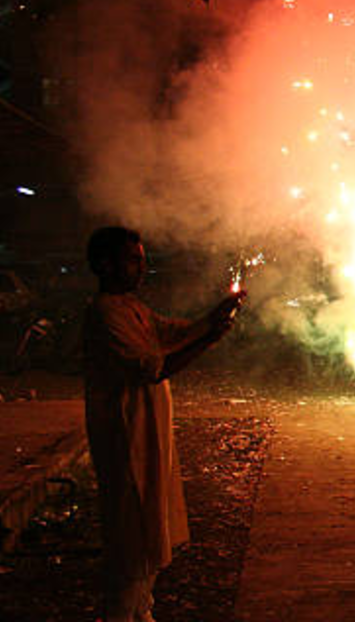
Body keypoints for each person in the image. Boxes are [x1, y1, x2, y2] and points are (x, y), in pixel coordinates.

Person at [82, 226, 245, 622]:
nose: (141, 268)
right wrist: (206, 339)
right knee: (131, 541)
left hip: (148, 437)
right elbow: (151, 368)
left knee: (151, 532)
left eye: (141, 260)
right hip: (126, 440)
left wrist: (212, 319)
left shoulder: (131, 308)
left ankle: (142, 611)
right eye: (132, 260)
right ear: (105, 265)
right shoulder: (105, 314)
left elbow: (171, 333)